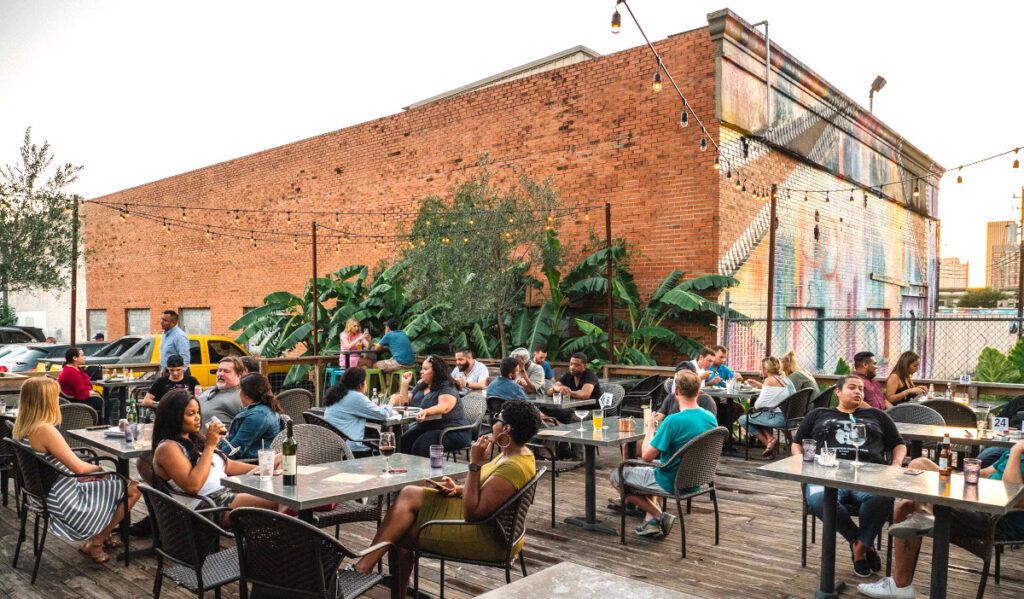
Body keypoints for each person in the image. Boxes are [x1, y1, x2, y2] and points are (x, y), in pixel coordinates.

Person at [352, 399, 541, 597]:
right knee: (409, 492)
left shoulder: (513, 467)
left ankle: (365, 569)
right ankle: (366, 568)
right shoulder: (515, 454)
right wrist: (459, 489)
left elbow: (473, 513)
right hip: (490, 523)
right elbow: (488, 491)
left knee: (398, 534)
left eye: (497, 419)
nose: (493, 423)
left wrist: (475, 464)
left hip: (489, 537)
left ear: (507, 429)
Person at [857, 440, 1024, 599]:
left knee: (906, 507)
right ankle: (926, 512)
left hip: (997, 518)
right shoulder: (1016, 449)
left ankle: (900, 585)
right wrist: (955, 477)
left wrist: (1017, 451)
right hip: (976, 499)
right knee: (919, 464)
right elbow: (986, 473)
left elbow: (1014, 496)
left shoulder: (1018, 450)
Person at [13, 377, 141, 563]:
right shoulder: (45, 430)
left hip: (44, 493)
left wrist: (85, 474)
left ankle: (104, 535)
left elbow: (63, 466)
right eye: (55, 397)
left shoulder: (21, 427)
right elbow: (80, 468)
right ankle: (97, 542)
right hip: (65, 499)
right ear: (46, 401)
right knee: (132, 489)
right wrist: (99, 469)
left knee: (111, 483)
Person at [793, 375, 907, 578]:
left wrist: (896, 465)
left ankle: (860, 547)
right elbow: (797, 442)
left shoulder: (876, 415)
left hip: (870, 475)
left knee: (883, 496)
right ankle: (861, 545)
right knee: (818, 498)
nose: (858, 392)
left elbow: (899, 444)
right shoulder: (819, 414)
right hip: (825, 473)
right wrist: (803, 465)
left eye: (861, 389)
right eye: (852, 387)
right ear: (837, 392)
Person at [609, 369, 717, 537]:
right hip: (697, 478)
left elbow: (646, 456)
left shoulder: (672, 421)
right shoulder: (710, 417)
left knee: (618, 475)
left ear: (676, 391)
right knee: (648, 471)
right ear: (699, 391)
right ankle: (651, 521)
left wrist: (651, 427)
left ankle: (661, 516)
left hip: (671, 480)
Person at [152, 390, 278, 524]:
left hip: (228, 489)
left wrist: (264, 469)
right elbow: (193, 486)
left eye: (197, 412)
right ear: (173, 416)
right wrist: (210, 446)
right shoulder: (168, 448)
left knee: (279, 459)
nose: (198, 417)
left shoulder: (194, 438)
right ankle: (279, 540)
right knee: (278, 503)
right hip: (209, 505)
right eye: (191, 414)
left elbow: (228, 465)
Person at [392, 355, 471, 456]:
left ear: (436, 371)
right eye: (422, 369)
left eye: (425, 369)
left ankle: (423, 471)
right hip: (428, 427)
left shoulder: (447, 386)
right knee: (402, 443)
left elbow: (445, 407)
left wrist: (426, 411)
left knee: (420, 447)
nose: (421, 371)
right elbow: (404, 403)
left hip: (452, 430)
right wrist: (404, 384)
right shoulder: (422, 385)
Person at [323, 366, 393, 456]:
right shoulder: (356, 397)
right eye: (366, 382)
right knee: (382, 443)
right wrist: (392, 401)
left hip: (332, 447)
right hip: (349, 449)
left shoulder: (337, 394)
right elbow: (384, 414)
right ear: (360, 385)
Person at [736, 356, 795, 457]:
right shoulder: (785, 379)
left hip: (780, 419)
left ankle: (768, 444)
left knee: (743, 418)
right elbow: (777, 391)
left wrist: (755, 408)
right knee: (757, 415)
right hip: (793, 417)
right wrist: (760, 385)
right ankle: (771, 439)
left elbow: (758, 404)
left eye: (761, 368)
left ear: (766, 369)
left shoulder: (769, 380)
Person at [221, 373, 282, 459]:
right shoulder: (261, 409)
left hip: (250, 462)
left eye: (240, 389)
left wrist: (213, 456)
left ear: (246, 395)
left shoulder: (258, 416)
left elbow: (235, 450)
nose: (238, 392)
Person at [545, 352, 602, 424]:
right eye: (571, 364)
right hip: (574, 410)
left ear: (584, 367)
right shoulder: (569, 375)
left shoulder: (589, 375)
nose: (572, 367)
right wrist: (558, 389)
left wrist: (568, 392)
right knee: (545, 408)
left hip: (590, 412)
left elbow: (585, 394)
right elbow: (549, 391)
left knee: (565, 415)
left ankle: (562, 427)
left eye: (576, 365)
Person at [196, 356, 244, 434]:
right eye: (219, 370)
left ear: (239, 375)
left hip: (216, 444)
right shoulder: (208, 390)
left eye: (226, 371)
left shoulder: (241, 397)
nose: (221, 374)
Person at [57, 346, 107, 418]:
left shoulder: (74, 369)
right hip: (76, 401)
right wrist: (92, 392)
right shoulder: (72, 372)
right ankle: (102, 424)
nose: (85, 357)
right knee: (106, 402)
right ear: (75, 358)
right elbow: (81, 393)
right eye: (82, 355)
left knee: (105, 400)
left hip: (77, 398)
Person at [158, 310, 190, 374]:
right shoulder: (165, 334)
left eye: (165, 320)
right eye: (162, 319)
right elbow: (166, 355)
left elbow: (185, 359)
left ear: (174, 322)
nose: (161, 322)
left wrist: (178, 376)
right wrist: (164, 368)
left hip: (177, 374)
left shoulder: (179, 336)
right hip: (168, 372)